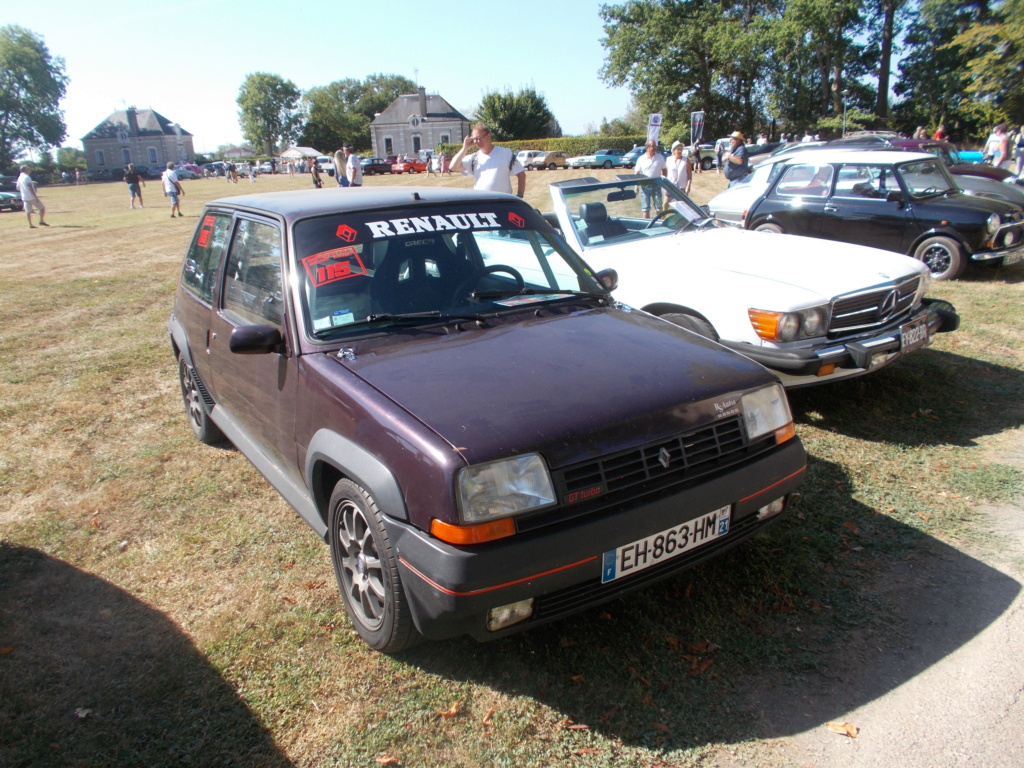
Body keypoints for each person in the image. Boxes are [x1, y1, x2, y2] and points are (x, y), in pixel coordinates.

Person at [450, 123, 526, 197]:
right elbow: (453, 167)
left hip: (502, 204)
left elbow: (521, 174)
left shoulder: (505, 153)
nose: (477, 141)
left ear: (488, 135)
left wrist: (520, 194)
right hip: (481, 204)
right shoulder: (474, 158)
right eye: (475, 139)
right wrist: (464, 149)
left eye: (480, 138)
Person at [635, 139, 667, 218]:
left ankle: (660, 226)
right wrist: (636, 186)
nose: (655, 147)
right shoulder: (641, 159)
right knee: (645, 209)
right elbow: (637, 173)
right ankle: (647, 228)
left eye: (655, 146)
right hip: (645, 186)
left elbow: (664, 170)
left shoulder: (660, 157)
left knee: (659, 208)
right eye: (653, 146)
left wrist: (664, 183)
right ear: (648, 147)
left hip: (657, 185)